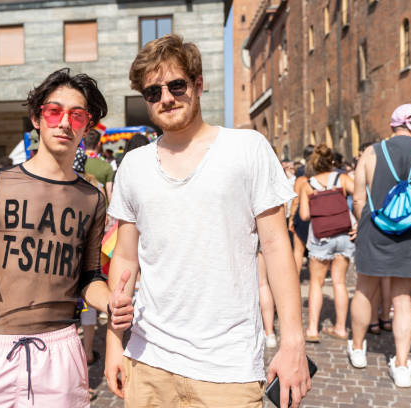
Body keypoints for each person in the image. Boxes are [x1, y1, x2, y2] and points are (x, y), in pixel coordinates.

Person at [105, 34, 310, 408]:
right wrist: (113, 344)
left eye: (176, 85)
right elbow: (125, 258)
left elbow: (278, 247)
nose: (165, 97)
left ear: (198, 85)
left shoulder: (246, 148)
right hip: (148, 360)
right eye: (153, 92)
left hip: (228, 369)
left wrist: (293, 341)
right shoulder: (133, 166)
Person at [0, 68, 134, 407]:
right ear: (37, 118)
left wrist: (110, 301)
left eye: (77, 115)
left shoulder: (92, 198)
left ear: (86, 126)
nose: (65, 122)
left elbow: (89, 278)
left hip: (59, 352)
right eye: (54, 111)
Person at [350, 104, 411, 387]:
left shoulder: (372, 152)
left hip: (375, 231)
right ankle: (401, 365)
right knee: (403, 300)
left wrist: (363, 224)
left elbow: (358, 197)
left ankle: (358, 349)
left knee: (364, 290)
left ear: (391, 124)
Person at [298, 144, 356, 342]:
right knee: (339, 282)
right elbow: (361, 198)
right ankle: (340, 328)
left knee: (316, 283)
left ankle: (313, 329)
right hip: (344, 234)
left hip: (321, 237)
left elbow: (304, 215)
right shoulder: (343, 179)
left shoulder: (308, 185)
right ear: (332, 162)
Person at [288, 144, 315, 275]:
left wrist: (291, 218)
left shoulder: (301, 179)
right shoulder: (321, 176)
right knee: (315, 251)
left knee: (298, 251)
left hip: (301, 214)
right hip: (317, 214)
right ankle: (315, 279)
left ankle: (295, 278)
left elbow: (295, 201)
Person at [84, 129, 114, 201]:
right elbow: (109, 194)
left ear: (84, 143)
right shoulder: (107, 166)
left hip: (80, 209)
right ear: (99, 144)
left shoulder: (74, 163)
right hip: (101, 209)